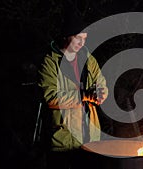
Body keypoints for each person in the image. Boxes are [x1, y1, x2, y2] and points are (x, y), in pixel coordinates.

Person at [37, 6, 108, 169]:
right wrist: (83, 95)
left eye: (85, 38)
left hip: (90, 139)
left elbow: (101, 82)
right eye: (77, 37)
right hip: (63, 141)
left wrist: (102, 93)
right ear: (66, 36)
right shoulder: (50, 62)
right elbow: (51, 97)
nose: (82, 42)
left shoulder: (88, 58)